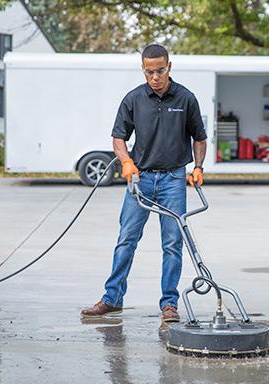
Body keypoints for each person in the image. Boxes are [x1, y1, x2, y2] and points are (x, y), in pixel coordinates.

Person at [81, 44, 207, 323]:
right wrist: (126, 161)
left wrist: (198, 167)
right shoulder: (134, 99)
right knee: (126, 239)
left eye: (160, 71)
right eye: (149, 72)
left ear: (169, 67)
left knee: (172, 243)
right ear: (143, 70)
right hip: (141, 178)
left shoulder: (186, 98)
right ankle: (112, 298)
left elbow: (199, 137)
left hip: (174, 178)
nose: (155, 77)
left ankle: (169, 304)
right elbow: (118, 137)